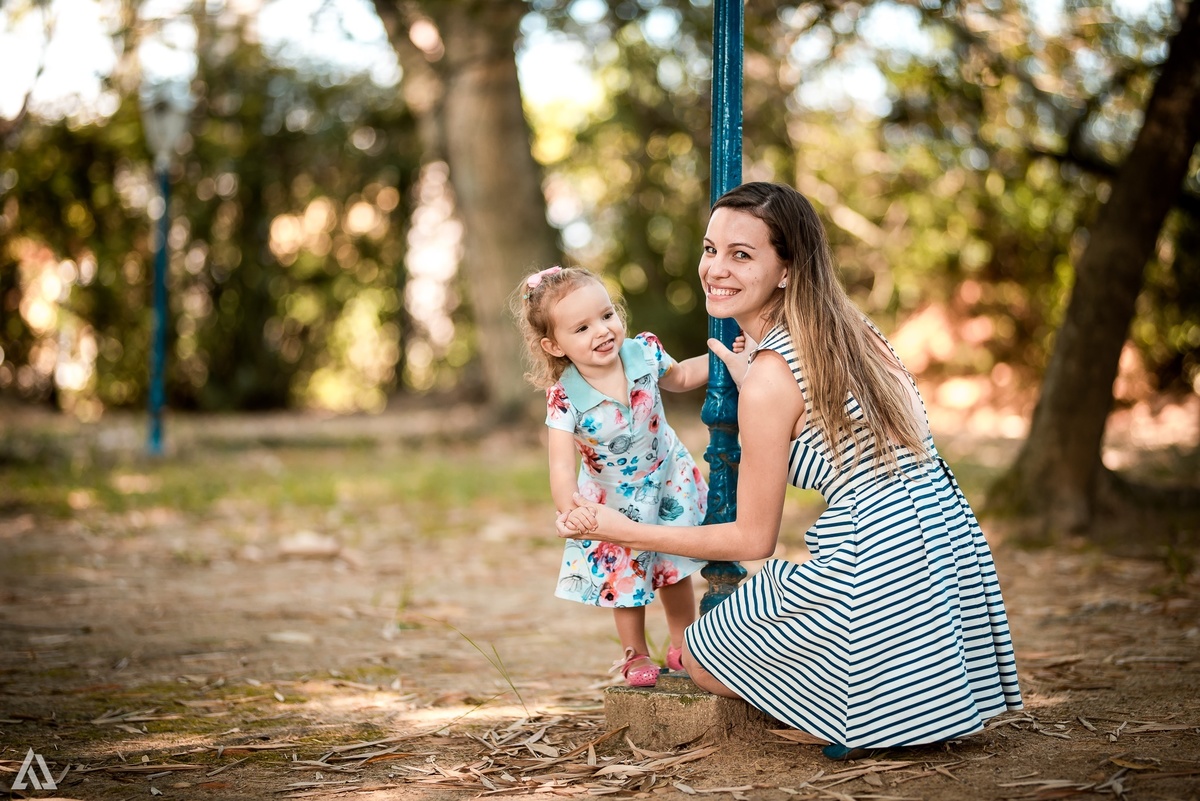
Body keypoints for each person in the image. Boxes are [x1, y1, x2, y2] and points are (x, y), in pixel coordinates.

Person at [558, 182, 1023, 758]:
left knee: (699, 655)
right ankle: (909, 690)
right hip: (947, 554)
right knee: (760, 604)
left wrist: (620, 530)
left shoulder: (773, 377)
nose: (715, 269)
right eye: (710, 249)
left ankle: (866, 703)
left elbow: (752, 540)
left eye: (742, 254)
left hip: (875, 570)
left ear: (786, 270)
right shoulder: (852, 332)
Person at [513, 265, 727, 687]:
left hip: (667, 477)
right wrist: (569, 508)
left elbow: (681, 376)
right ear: (554, 345)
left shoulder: (642, 352)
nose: (602, 331)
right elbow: (559, 464)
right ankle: (635, 653)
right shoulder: (564, 398)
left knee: (674, 566)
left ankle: (684, 646)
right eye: (582, 328)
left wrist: (722, 355)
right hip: (613, 499)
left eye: (607, 315)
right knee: (626, 579)